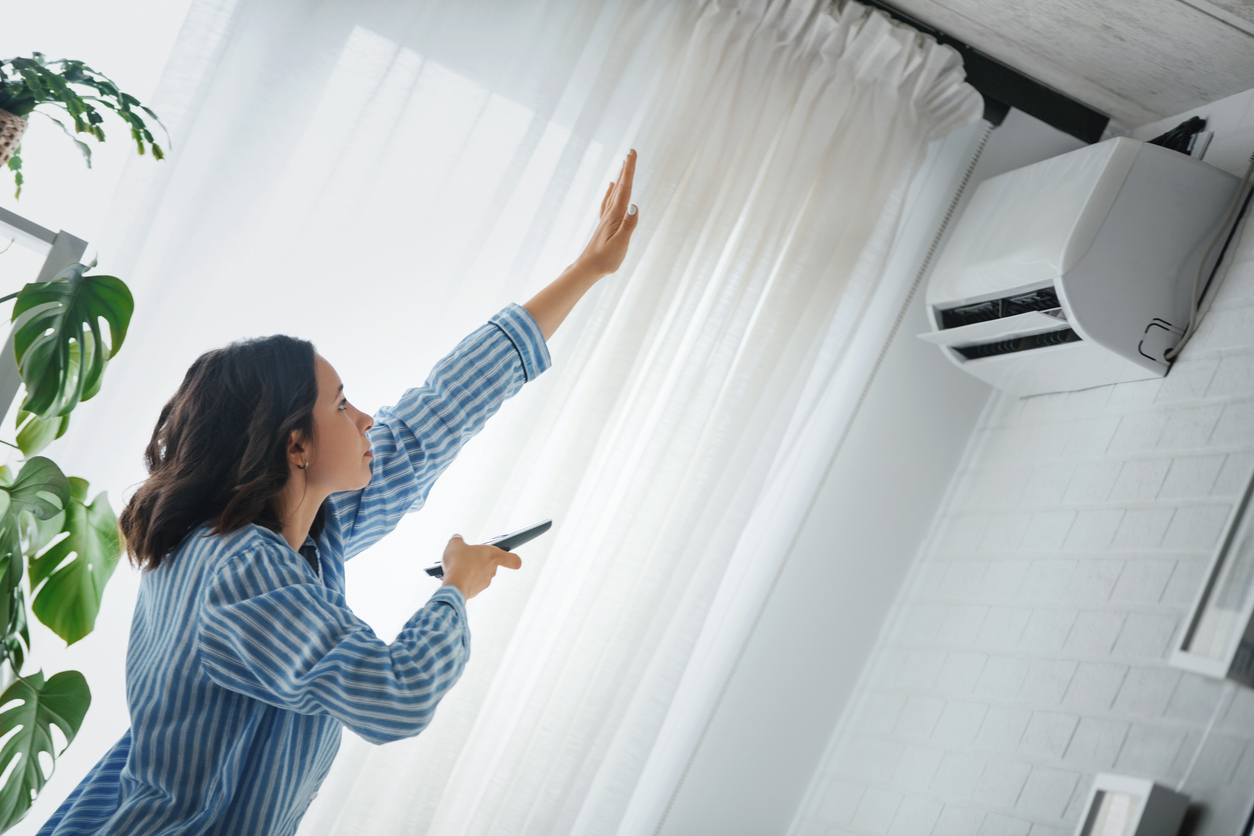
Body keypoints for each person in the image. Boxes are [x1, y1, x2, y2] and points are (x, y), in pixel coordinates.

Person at [38, 151, 640, 836]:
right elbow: (396, 697)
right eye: (343, 403)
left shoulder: (297, 534)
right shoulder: (242, 568)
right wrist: (455, 590)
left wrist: (586, 270)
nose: (367, 420)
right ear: (296, 445)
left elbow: (431, 420)